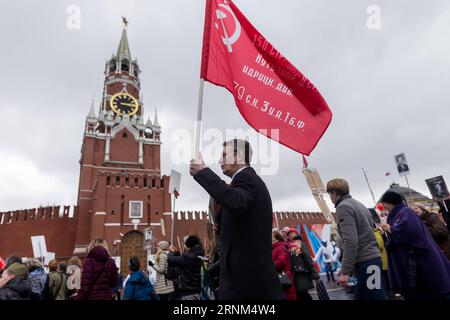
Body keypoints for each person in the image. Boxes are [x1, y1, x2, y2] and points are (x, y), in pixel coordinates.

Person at [190, 139, 284, 300]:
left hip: (248, 284)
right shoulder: (244, 182)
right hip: (245, 280)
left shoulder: (246, 179)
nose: (220, 160)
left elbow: (235, 201)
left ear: (238, 156)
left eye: (224, 155)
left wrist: (203, 172)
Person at [380, 191, 450, 300]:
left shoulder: (406, 212)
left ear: (391, 202)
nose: (383, 206)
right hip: (409, 259)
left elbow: (411, 232)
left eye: (385, 203)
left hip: (419, 261)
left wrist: (390, 229)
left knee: (430, 292)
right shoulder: (395, 214)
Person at [326, 178, 386, 300]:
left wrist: (345, 271)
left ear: (334, 193)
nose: (330, 198)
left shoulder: (343, 207)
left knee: (375, 297)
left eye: (330, 194)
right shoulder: (359, 204)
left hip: (366, 262)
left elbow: (350, 241)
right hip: (369, 259)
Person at [167, 235, 204, 300]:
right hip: (195, 291)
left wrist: (171, 252)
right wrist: (177, 252)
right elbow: (182, 261)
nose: (184, 246)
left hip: (188, 292)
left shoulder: (189, 257)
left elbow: (172, 259)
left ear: (189, 246)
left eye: (186, 245)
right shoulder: (197, 253)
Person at [271, 231, 296, 300]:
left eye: (271, 237)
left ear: (277, 239)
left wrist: (269, 265)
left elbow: (281, 262)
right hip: (279, 278)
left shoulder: (281, 248)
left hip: (284, 278)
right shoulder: (273, 249)